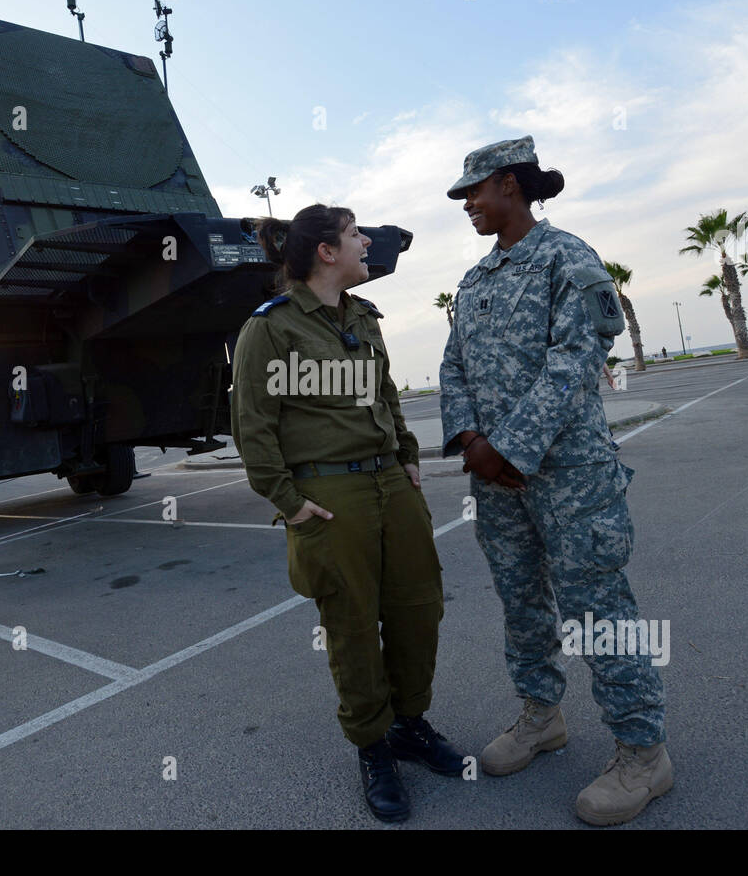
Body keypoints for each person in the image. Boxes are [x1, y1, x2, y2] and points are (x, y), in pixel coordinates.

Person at [439, 136, 670, 826]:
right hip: (497, 483)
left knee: (600, 612)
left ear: (509, 185)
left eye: (474, 191)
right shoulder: (475, 282)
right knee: (522, 605)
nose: (468, 205)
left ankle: (643, 753)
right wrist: (473, 441)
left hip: (571, 476)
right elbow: (453, 369)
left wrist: (509, 444)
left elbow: (576, 360)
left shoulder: (568, 257)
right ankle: (543, 717)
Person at [231, 204, 463, 823]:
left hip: (392, 483)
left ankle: (410, 723)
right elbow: (254, 425)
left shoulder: (364, 315)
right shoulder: (271, 329)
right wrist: (287, 500)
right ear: (326, 253)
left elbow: (385, 391)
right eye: (355, 234)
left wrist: (408, 454)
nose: (367, 242)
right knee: (353, 623)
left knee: (419, 606)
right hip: (331, 498)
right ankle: (373, 746)